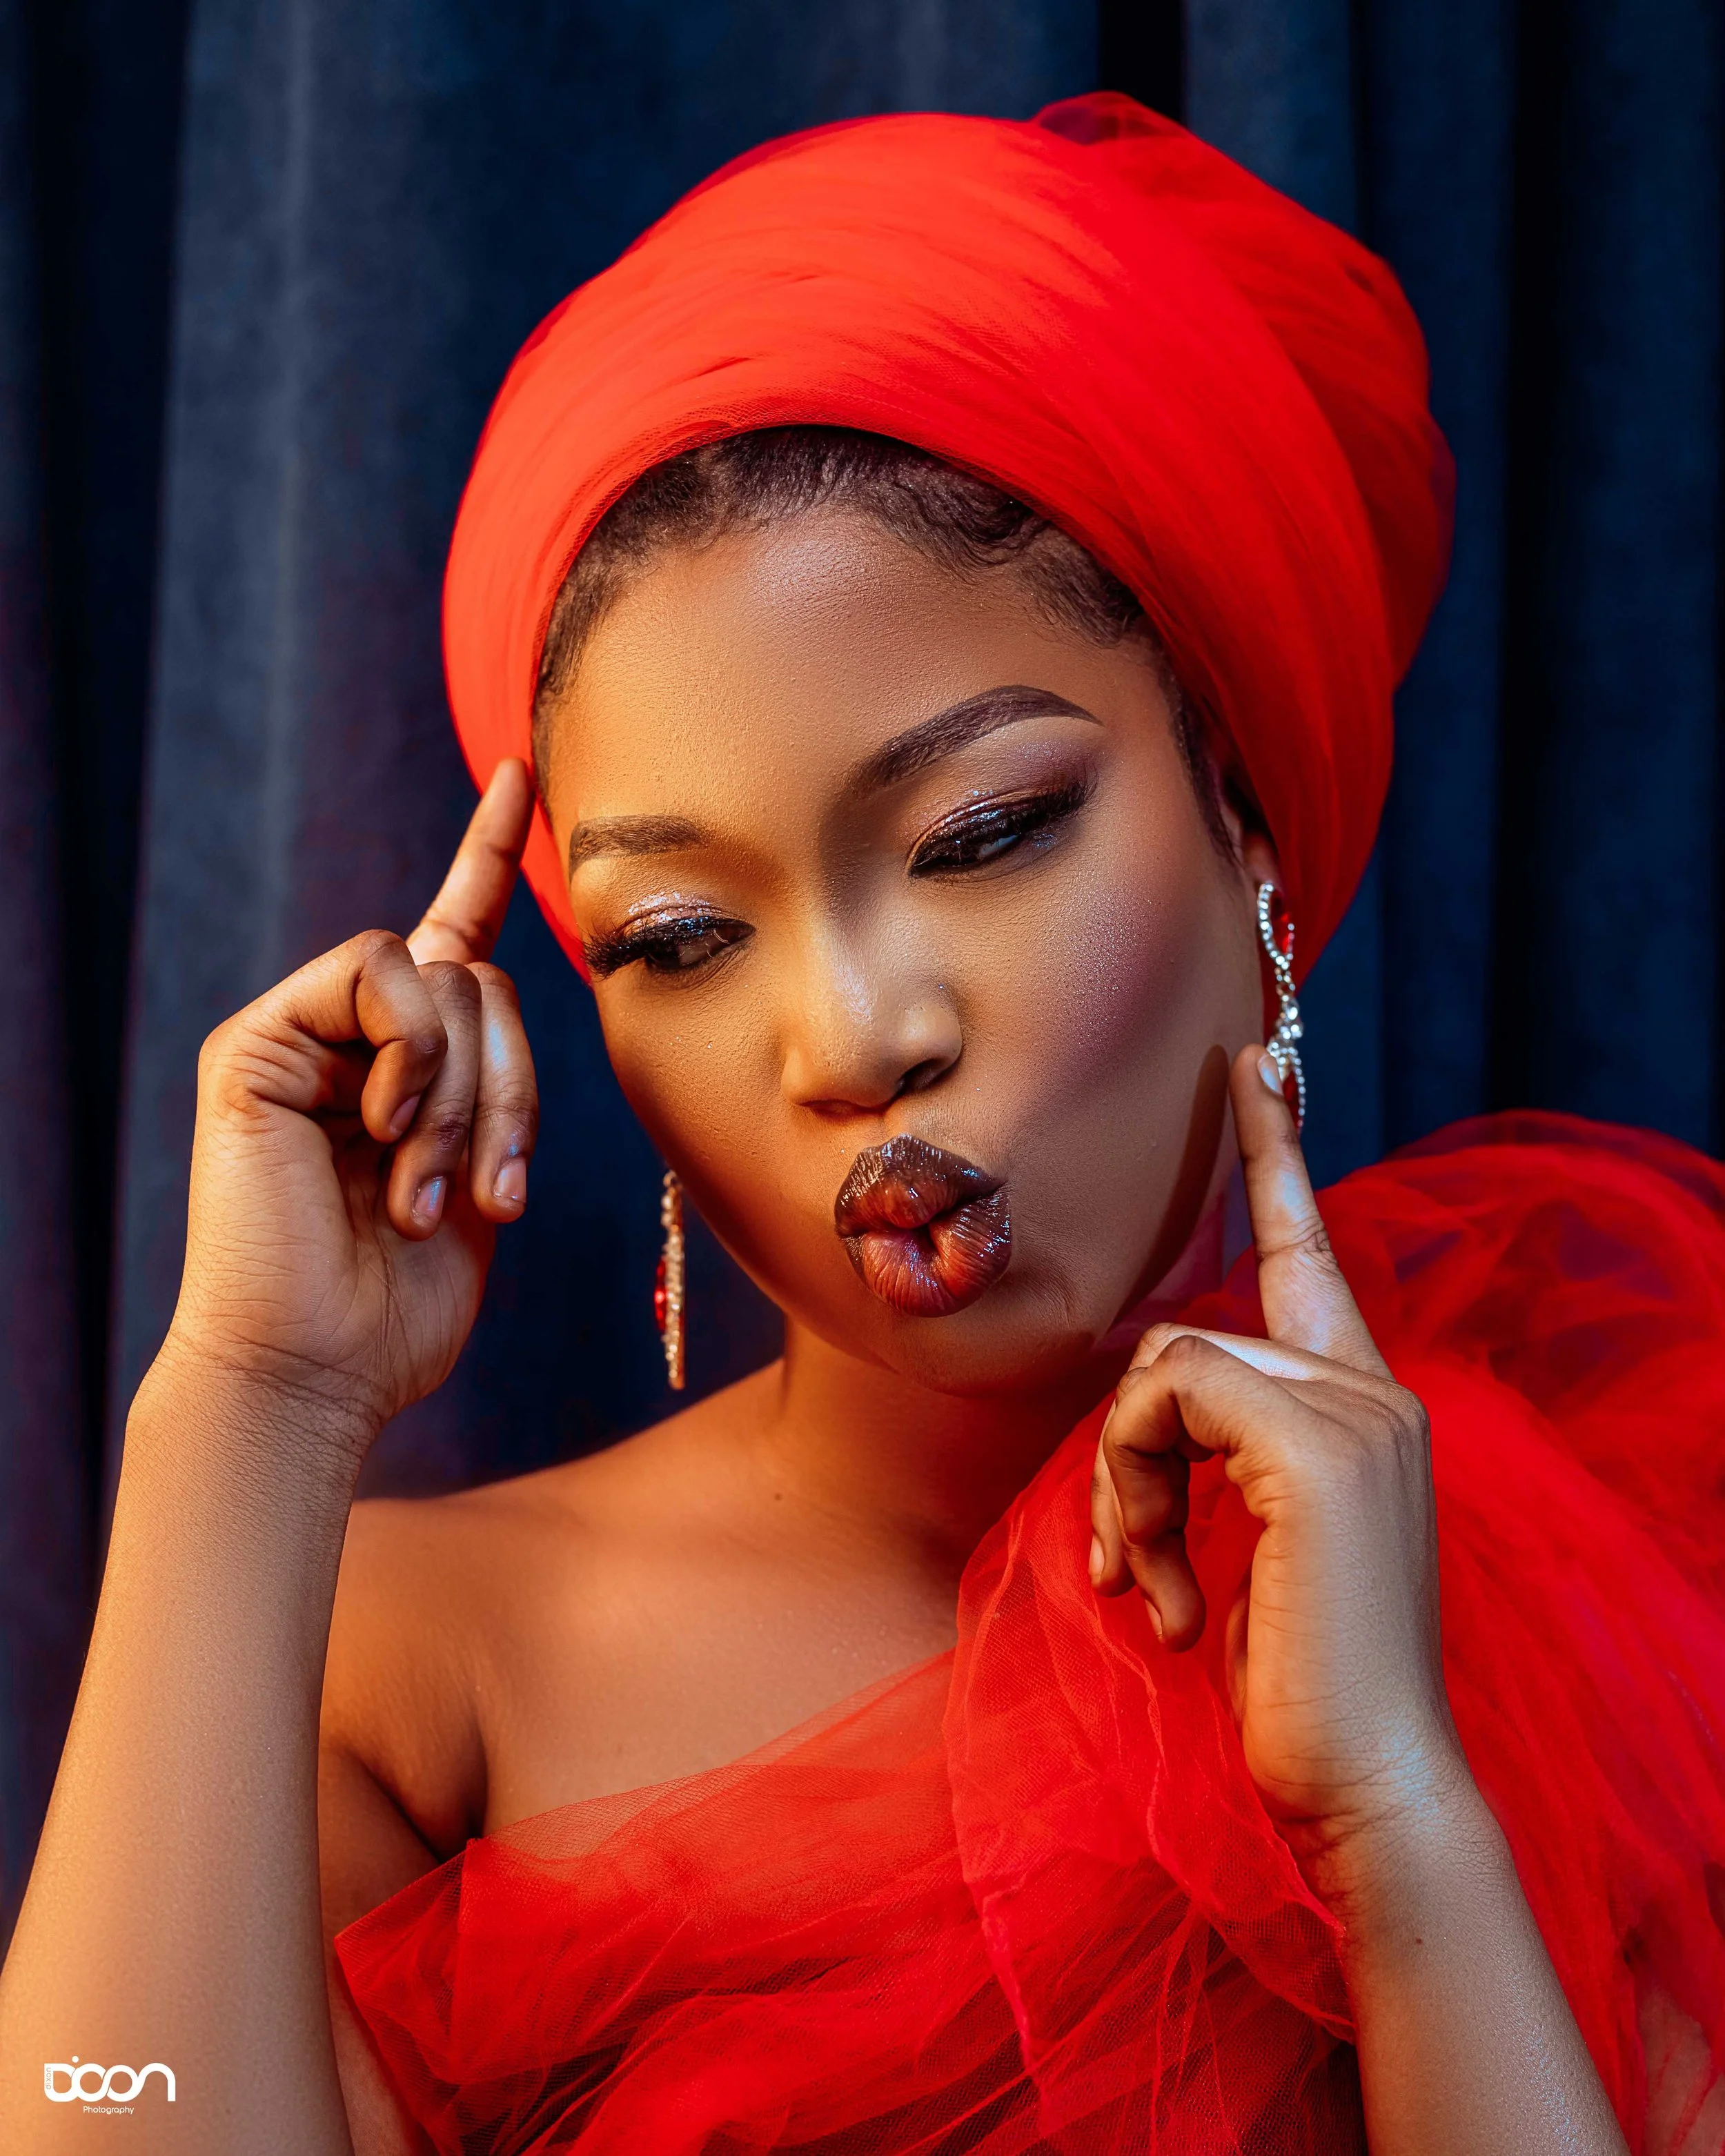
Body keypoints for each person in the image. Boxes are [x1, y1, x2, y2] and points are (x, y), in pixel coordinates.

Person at [3, 92, 1722, 2156]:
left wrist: (1398, 1822)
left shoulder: (1615, 1556)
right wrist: (252, 1401)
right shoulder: (416, 1659)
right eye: (677, 931)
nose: (852, 1033)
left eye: (984, 831)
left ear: (1245, 812)